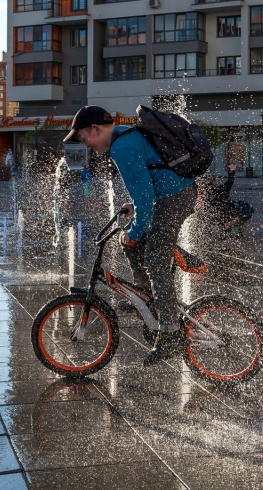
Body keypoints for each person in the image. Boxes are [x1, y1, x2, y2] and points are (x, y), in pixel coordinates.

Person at [64, 105, 197, 366]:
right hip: (172, 195)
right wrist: (133, 209)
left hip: (175, 198)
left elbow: (146, 195)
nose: (87, 145)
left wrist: (136, 228)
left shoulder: (121, 147)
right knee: (133, 240)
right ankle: (146, 295)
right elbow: (150, 180)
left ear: (95, 129)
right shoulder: (124, 135)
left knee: (155, 259)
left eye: (84, 138)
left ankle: (170, 332)